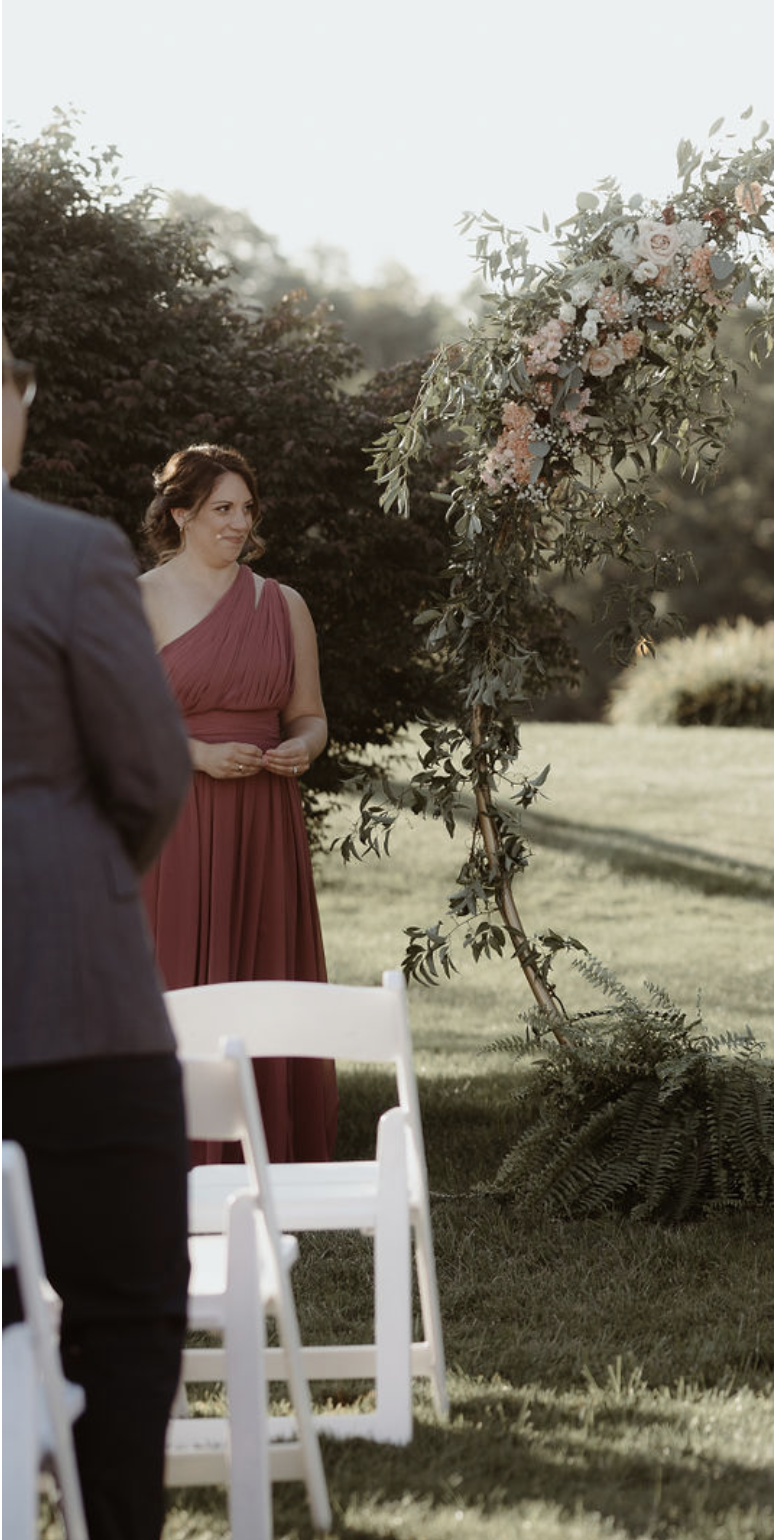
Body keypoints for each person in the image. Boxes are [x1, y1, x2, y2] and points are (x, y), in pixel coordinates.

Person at [2, 335, 195, 1540]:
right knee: (124, 1304)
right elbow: (149, 772)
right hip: (74, 1005)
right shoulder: (68, 554)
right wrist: (76, 879)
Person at [136, 444, 337, 1164]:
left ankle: (268, 1150)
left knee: (261, 973)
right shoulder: (141, 599)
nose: (238, 523)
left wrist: (303, 750)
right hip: (177, 817)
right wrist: (197, 756)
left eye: (246, 509)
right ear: (181, 513)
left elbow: (309, 715)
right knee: (178, 973)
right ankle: (172, 1151)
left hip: (264, 819)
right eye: (222, 508)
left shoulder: (284, 605)